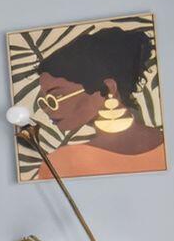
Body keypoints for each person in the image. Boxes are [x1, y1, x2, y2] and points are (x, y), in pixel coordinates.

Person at [24, 28, 166, 179]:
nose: (47, 109)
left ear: (107, 87)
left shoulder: (59, 164)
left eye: (55, 96)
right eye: (43, 101)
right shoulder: (165, 144)